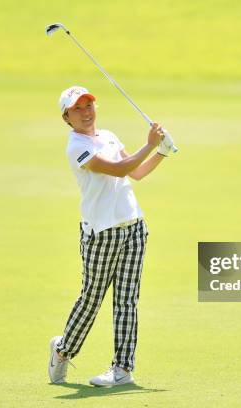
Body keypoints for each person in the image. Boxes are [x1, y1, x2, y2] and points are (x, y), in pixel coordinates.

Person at [48, 86, 173, 387]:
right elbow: (118, 170)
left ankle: (122, 369)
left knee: (126, 301)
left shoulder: (109, 136)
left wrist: (161, 152)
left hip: (133, 227)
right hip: (100, 234)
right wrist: (149, 144)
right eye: (78, 108)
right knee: (91, 299)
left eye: (89, 104)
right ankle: (63, 351)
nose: (86, 111)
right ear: (66, 116)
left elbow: (137, 173)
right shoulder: (76, 147)